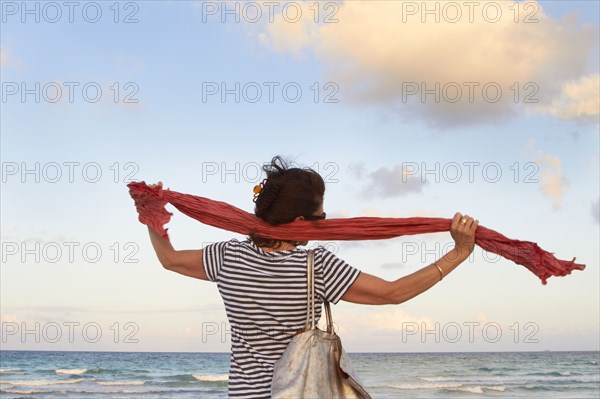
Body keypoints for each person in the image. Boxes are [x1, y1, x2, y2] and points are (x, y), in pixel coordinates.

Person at [144, 156, 478, 399]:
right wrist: (458, 254)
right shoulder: (316, 266)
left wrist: (150, 215)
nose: (325, 221)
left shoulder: (227, 257)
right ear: (301, 220)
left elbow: (169, 259)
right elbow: (392, 293)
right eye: (321, 216)